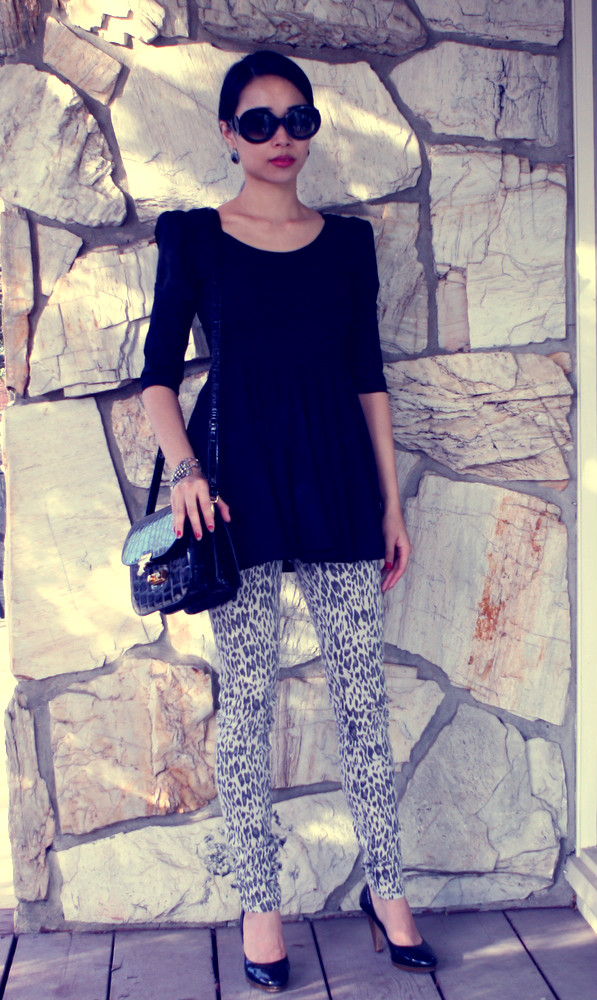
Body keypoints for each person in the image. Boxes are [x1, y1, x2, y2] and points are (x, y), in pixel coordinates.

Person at [140, 49, 437, 992]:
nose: (281, 137)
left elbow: (367, 378)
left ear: (311, 130)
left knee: (360, 697)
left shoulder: (347, 245)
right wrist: (186, 472)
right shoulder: (195, 238)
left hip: (339, 482)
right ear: (228, 134)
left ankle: (387, 889)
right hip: (236, 490)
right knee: (247, 704)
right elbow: (156, 378)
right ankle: (258, 905)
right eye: (259, 121)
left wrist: (390, 502)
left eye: (297, 119)